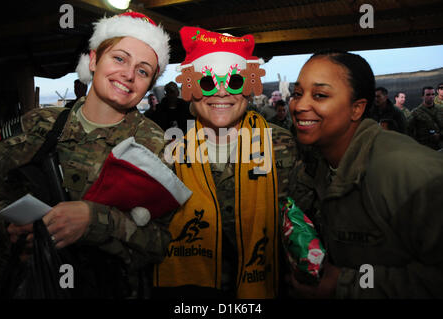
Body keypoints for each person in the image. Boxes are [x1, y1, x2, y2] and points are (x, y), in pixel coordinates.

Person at [0, 11, 173, 299]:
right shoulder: (35, 126)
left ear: (148, 84)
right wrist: (9, 228)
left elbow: (163, 242)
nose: (128, 74)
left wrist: (95, 221)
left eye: (143, 70)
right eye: (119, 58)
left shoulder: (155, 147)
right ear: (92, 60)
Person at [152, 26, 300, 298]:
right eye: (207, 82)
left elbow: (301, 223)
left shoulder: (283, 146)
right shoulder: (170, 155)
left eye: (235, 81)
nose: (221, 93)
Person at [286, 49, 443, 298]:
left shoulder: (408, 172)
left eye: (320, 95)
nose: (299, 105)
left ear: (357, 109)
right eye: (297, 93)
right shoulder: (323, 164)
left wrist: (345, 284)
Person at [408, 86, 443, 150]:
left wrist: (440, 135)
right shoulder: (416, 112)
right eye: (428, 95)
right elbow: (409, 131)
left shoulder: (440, 110)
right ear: (422, 96)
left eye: (433, 94)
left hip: (440, 145)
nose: (431, 97)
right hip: (425, 147)